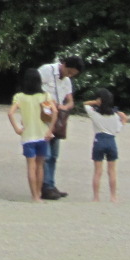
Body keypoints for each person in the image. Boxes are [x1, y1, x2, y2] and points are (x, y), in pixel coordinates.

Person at [8, 67, 57, 202]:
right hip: (43, 135)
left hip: (28, 136)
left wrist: (17, 128)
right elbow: (52, 114)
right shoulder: (45, 96)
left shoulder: (20, 97)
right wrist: (50, 130)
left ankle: (34, 195)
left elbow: (10, 113)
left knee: (31, 166)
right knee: (40, 165)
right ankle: (39, 195)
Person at [37, 54, 83, 198]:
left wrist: (64, 106)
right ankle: (45, 186)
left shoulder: (67, 81)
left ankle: (50, 183)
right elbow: (34, 88)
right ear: (64, 65)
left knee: (54, 154)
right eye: (69, 72)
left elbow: (70, 101)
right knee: (46, 153)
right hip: (44, 114)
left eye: (73, 75)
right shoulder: (46, 70)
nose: (69, 75)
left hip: (57, 118)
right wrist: (49, 102)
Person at [84, 88, 127, 202]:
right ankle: (113, 197)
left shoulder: (94, 113)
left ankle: (96, 197)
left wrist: (96, 102)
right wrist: (124, 121)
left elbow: (85, 104)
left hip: (99, 140)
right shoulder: (115, 116)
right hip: (111, 141)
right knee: (111, 171)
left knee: (98, 171)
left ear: (99, 100)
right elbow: (118, 129)